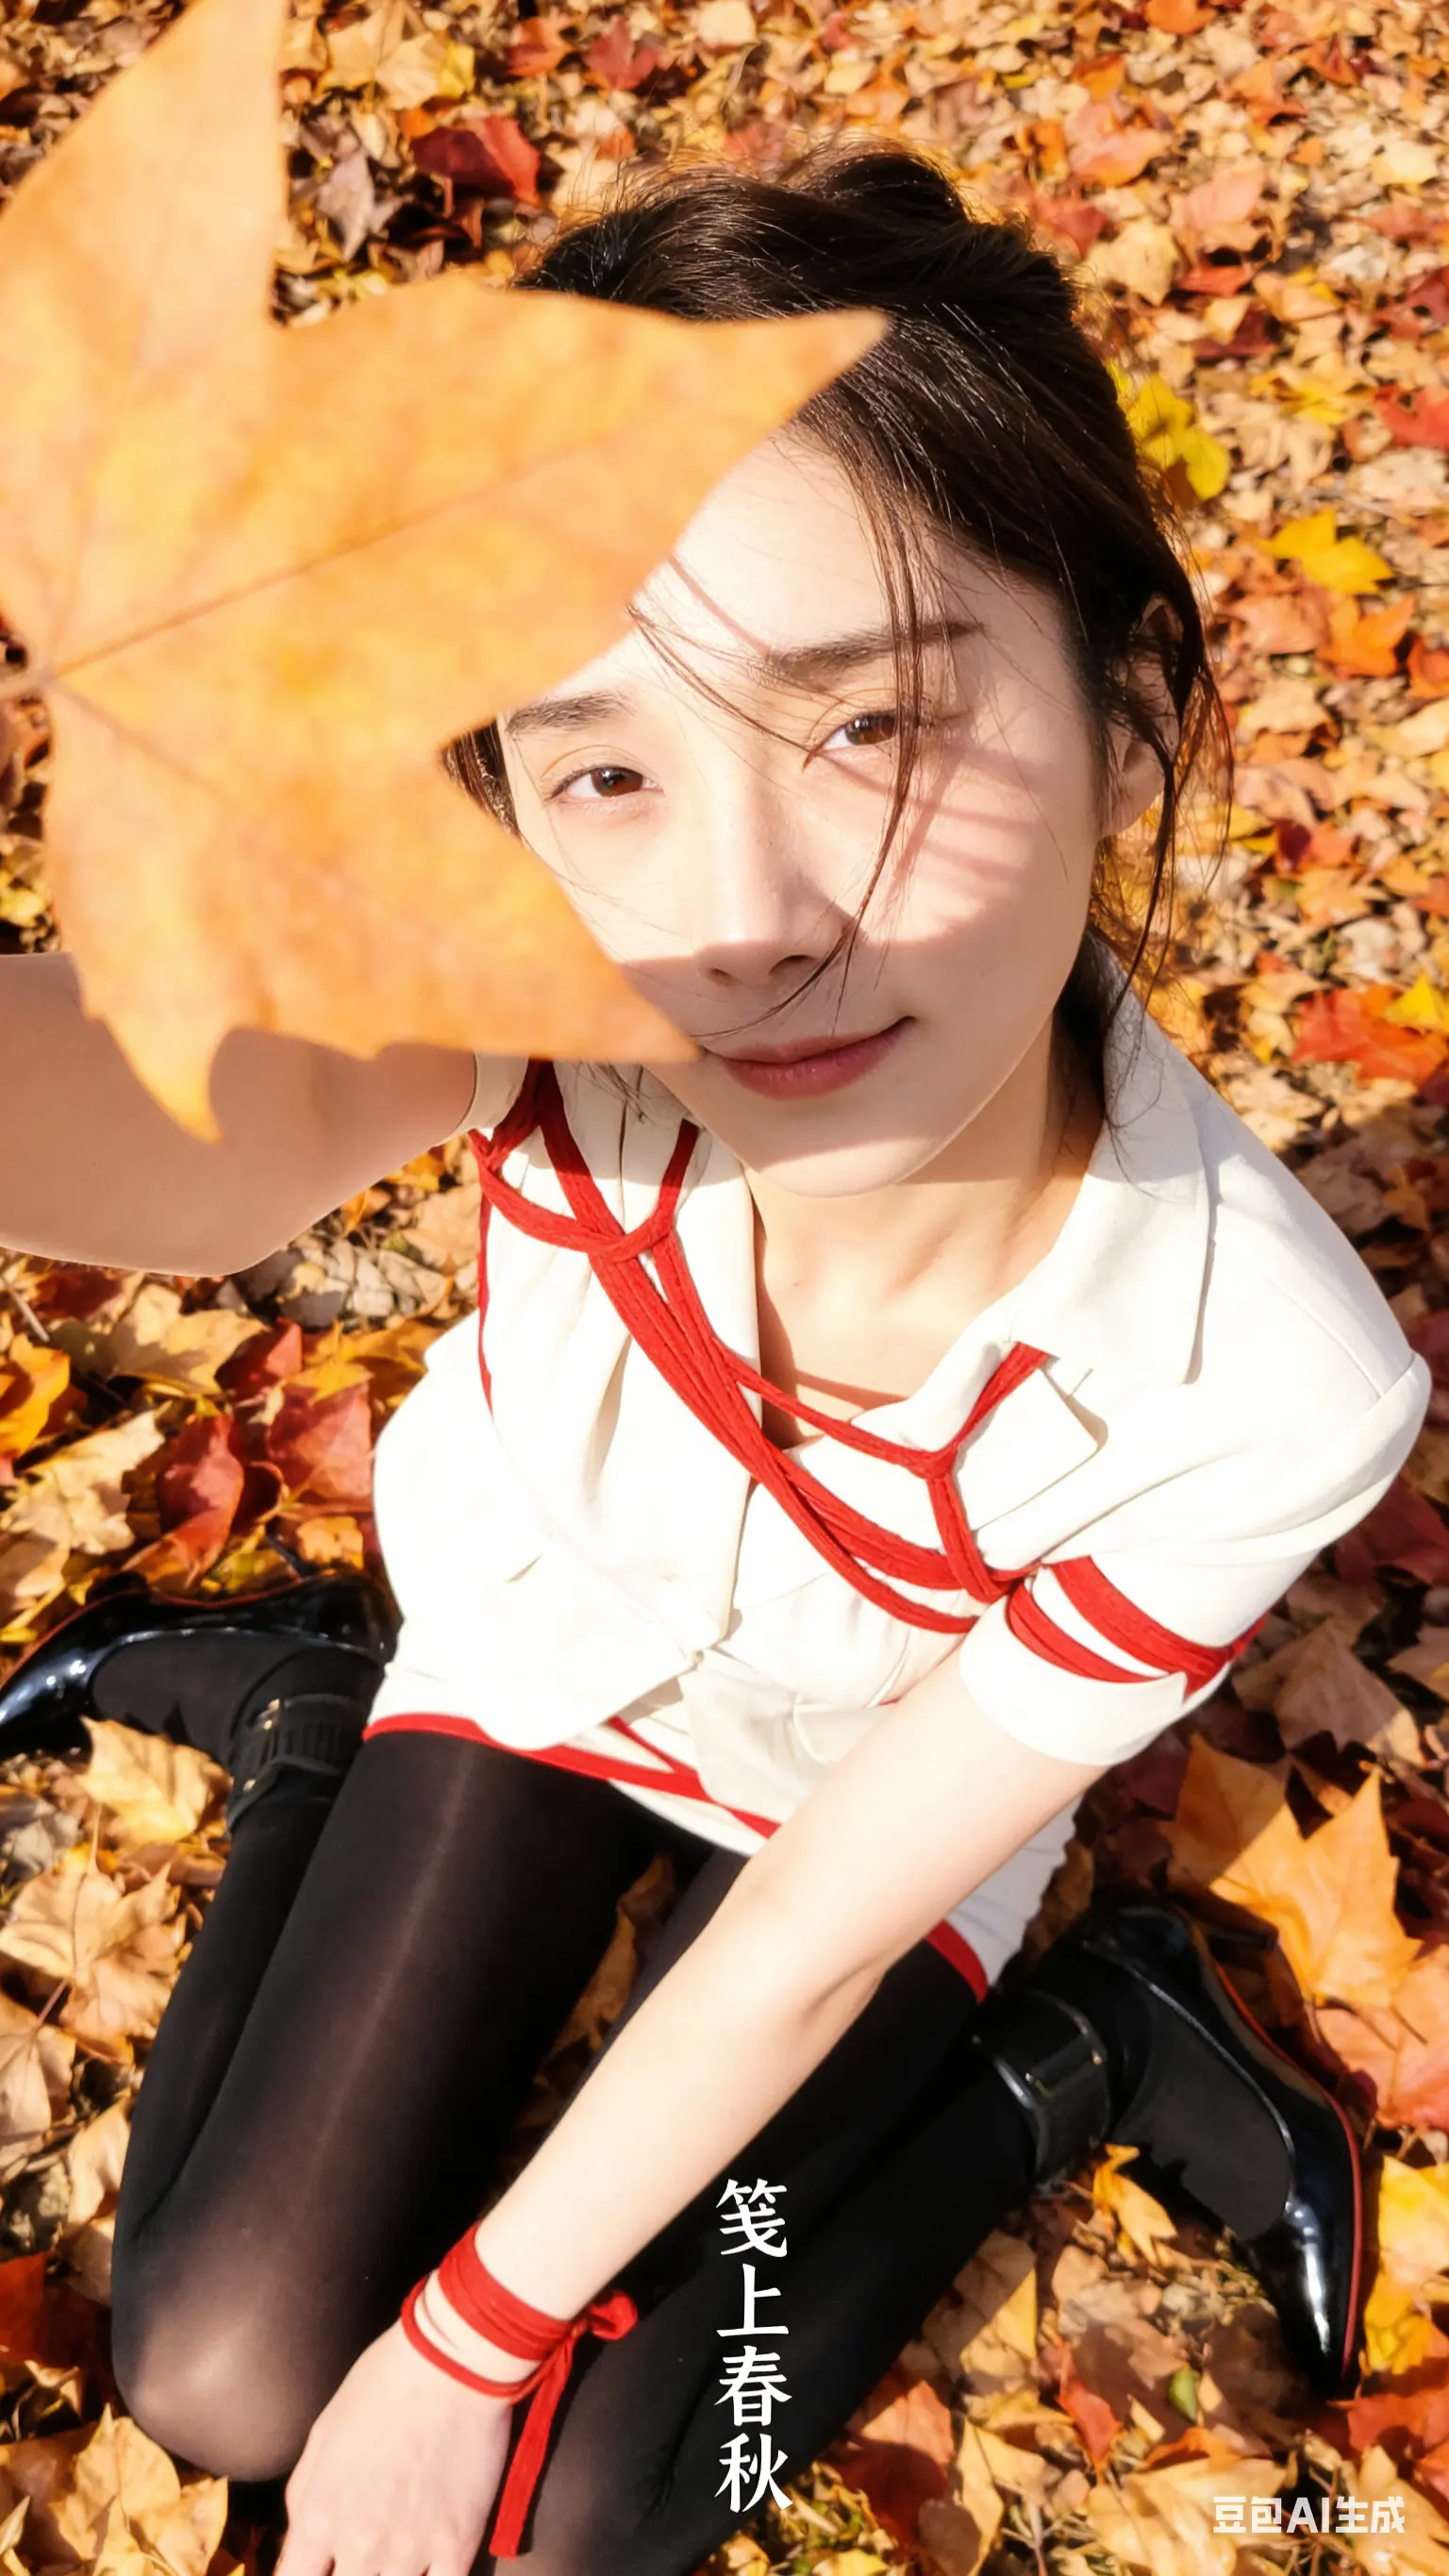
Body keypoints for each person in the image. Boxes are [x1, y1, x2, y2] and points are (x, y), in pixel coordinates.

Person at [0, 139, 1428, 2576]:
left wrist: (465, 2345)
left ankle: (1097, 2043)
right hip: (543, 1659)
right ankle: (319, 1714)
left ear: (1128, 710)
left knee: (601, 2509)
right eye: (607, 768)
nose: (746, 920)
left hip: (857, 1832)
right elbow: (191, 1110)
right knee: (220, 2364)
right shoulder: (552, 993)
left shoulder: (1268, 1384)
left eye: (873, 726)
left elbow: (812, 1931)